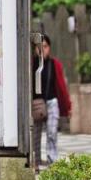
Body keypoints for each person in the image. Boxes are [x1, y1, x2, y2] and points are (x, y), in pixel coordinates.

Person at [31, 34, 71, 171]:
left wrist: (67, 107)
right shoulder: (31, 64)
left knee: (52, 132)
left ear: (49, 48)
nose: (42, 50)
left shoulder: (55, 64)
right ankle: (35, 162)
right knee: (35, 134)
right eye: (39, 47)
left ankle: (52, 161)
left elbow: (62, 87)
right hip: (36, 104)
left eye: (45, 46)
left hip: (52, 102)